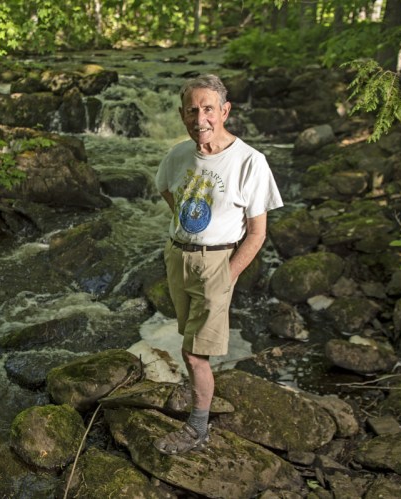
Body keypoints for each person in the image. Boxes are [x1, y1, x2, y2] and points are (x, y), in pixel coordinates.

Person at [153, 74, 283, 455]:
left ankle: (198, 428)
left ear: (225, 111)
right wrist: (186, 230)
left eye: (208, 108)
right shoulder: (178, 155)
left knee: (196, 353)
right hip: (178, 256)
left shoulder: (249, 162)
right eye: (192, 110)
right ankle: (199, 399)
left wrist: (227, 274)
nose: (200, 118)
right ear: (182, 115)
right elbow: (167, 190)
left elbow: (257, 233)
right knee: (188, 342)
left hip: (217, 263)